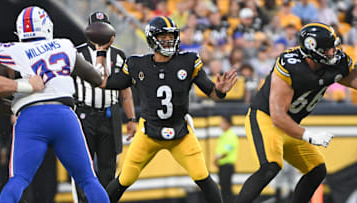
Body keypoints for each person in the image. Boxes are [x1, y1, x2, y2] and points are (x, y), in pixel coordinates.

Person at [102, 16, 238, 203]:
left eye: (171, 36)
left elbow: (211, 92)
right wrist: (101, 54)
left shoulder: (188, 60)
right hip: (149, 132)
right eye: (163, 36)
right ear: (152, 39)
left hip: (180, 132)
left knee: (203, 176)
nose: (169, 40)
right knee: (125, 178)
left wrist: (221, 92)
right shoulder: (137, 64)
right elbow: (106, 82)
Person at [0, 6, 111, 203]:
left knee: (18, 180)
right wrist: (100, 55)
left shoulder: (12, 50)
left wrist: (18, 96)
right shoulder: (64, 45)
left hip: (30, 120)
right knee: (88, 180)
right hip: (63, 116)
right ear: (48, 27)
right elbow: (96, 77)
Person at [235, 22, 357, 203]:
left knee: (317, 170)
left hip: (289, 124)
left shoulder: (336, 63)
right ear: (313, 50)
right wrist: (307, 135)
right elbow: (278, 117)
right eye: (328, 49)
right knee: (270, 166)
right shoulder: (291, 66)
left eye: (333, 47)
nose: (334, 52)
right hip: (266, 118)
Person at [71, 11, 136, 203]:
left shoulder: (118, 54)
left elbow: (125, 91)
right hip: (85, 113)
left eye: (103, 27)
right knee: (84, 165)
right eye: (96, 28)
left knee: (109, 167)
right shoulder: (77, 53)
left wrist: (131, 119)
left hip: (110, 114)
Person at [214, 115, 239, 203]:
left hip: (227, 166)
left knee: (226, 188)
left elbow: (227, 150)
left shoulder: (230, 135)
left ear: (228, 124)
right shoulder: (225, 135)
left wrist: (216, 159)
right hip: (223, 166)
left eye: (222, 122)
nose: (220, 124)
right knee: (224, 188)